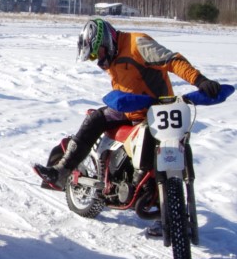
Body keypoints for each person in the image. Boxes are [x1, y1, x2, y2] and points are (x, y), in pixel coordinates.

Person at [34, 17, 222, 191]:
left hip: (157, 110)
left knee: (173, 149)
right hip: (129, 109)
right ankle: (61, 171)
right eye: (92, 57)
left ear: (107, 41)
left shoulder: (137, 44)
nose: (98, 59)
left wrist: (199, 80)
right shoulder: (111, 57)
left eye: (97, 53)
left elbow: (172, 60)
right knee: (95, 119)